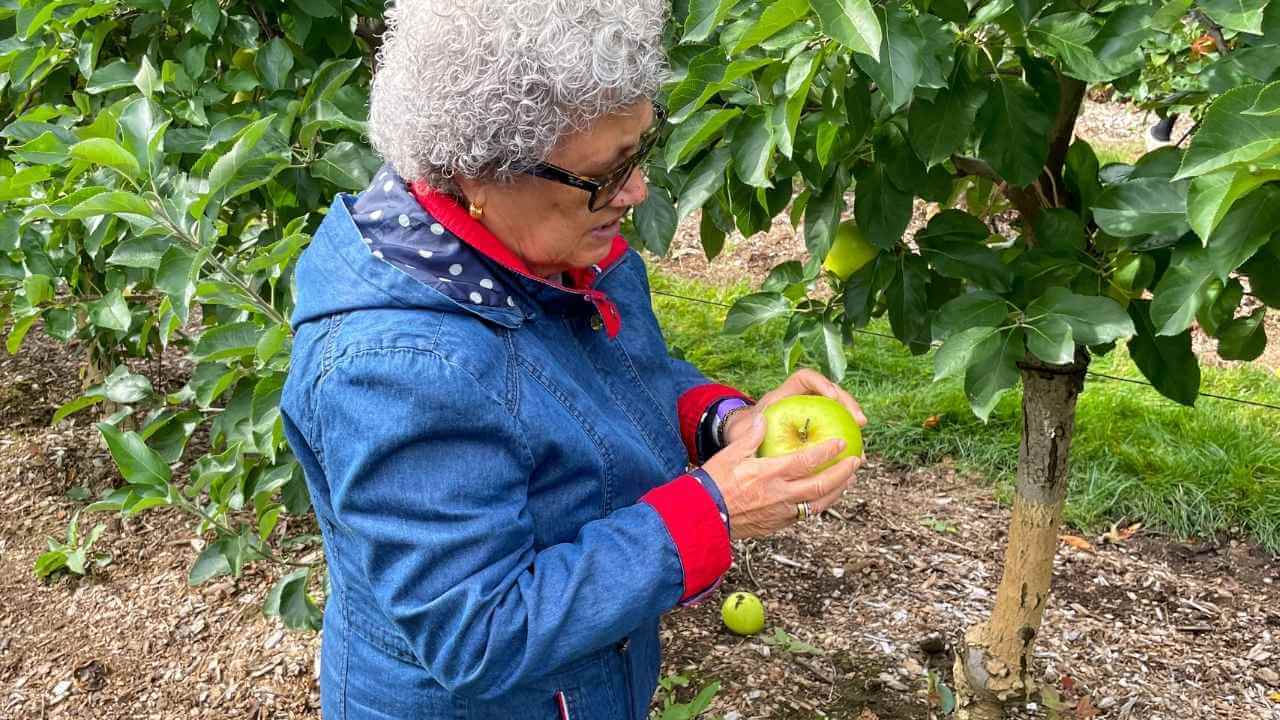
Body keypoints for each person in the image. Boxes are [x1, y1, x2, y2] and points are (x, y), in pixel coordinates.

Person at [280, 1, 866, 718]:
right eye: (607, 173)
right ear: (479, 171)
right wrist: (713, 511)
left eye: (640, 151)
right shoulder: (398, 371)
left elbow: (590, 371)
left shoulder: (545, 251)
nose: (637, 191)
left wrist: (721, 423)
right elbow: (479, 632)